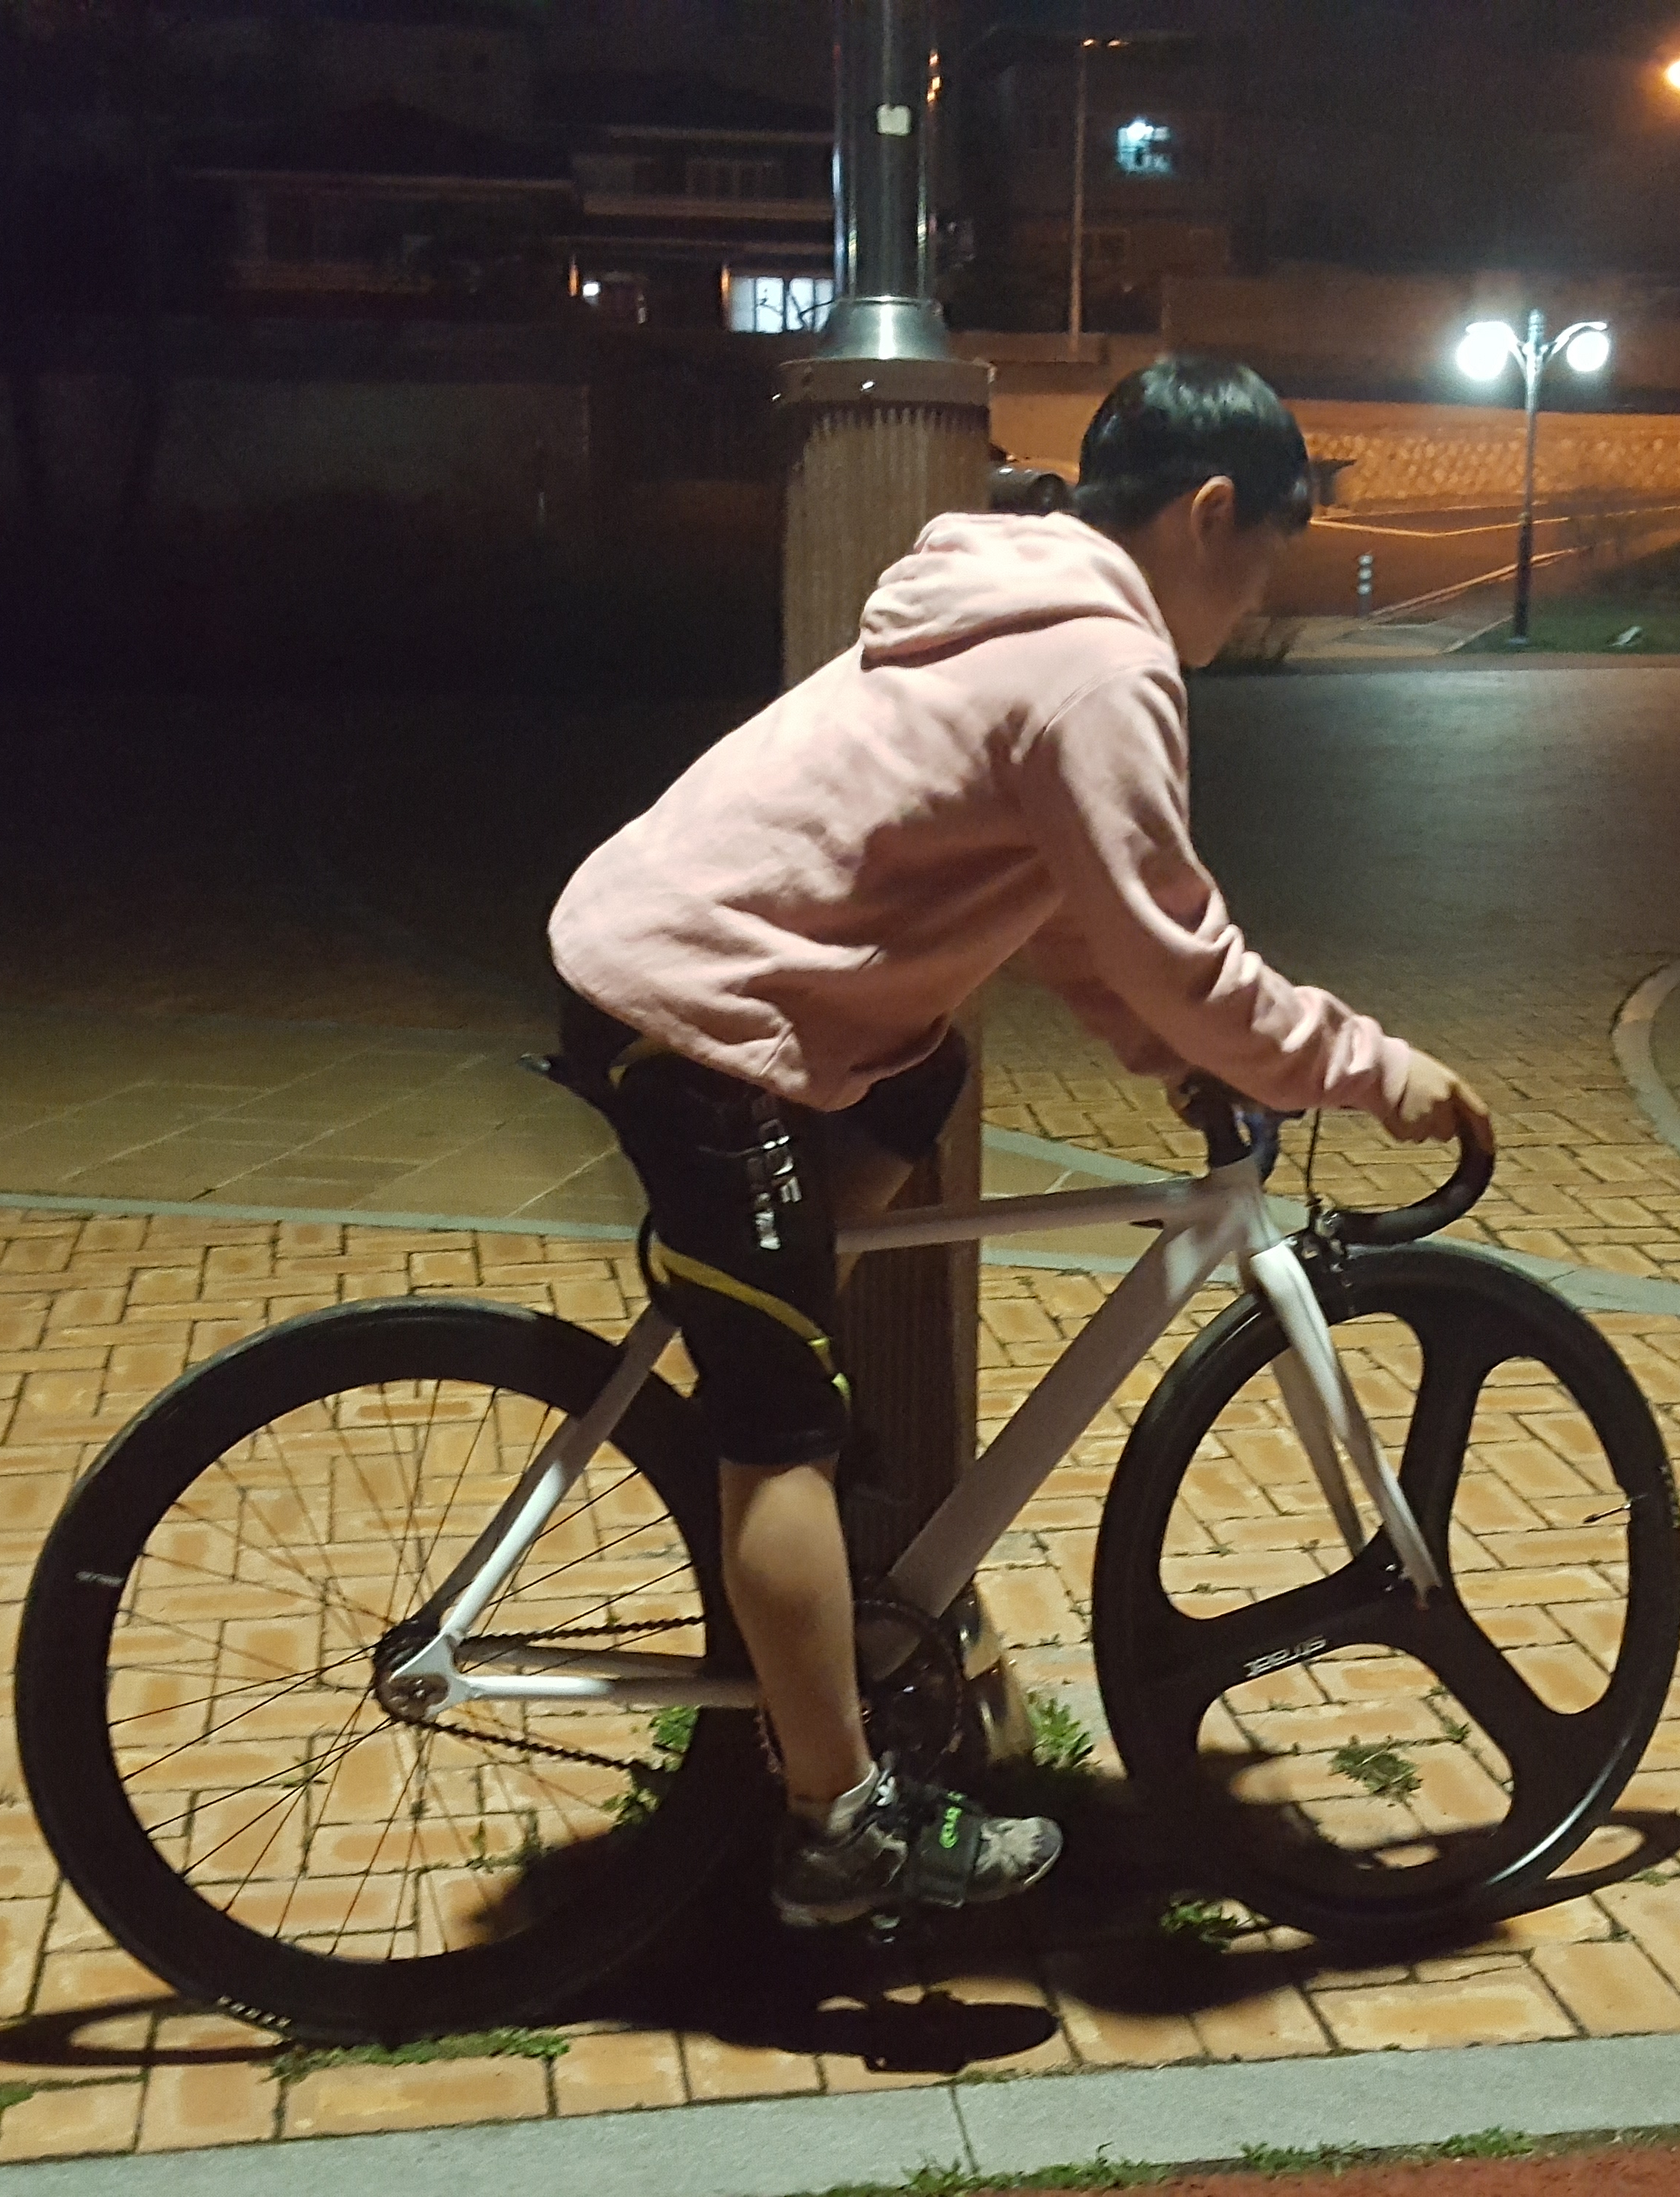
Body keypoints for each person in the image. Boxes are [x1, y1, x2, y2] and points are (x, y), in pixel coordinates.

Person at [546, 356, 1489, 1926]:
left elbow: (1072, 916)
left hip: (677, 977)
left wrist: (1180, 1065)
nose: (1259, 598)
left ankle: (782, 1378)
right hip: (696, 1020)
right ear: (1208, 514)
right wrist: (1370, 1070)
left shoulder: (1022, 610)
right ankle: (837, 1832)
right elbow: (1181, 954)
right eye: (1267, 557)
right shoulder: (1099, 665)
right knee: (776, 1435)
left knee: (918, 1078)